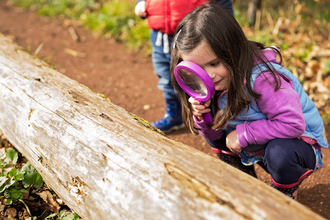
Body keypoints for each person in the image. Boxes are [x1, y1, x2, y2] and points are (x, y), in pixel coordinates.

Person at [170, 3, 328, 199]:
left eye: (214, 63)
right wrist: (203, 117)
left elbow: (292, 124)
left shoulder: (263, 79)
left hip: (297, 145)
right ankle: (244, 182)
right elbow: (214, 133)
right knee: (214, 130)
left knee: (280, 154)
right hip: (257, 145)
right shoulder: (214, 84)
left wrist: (243, 134)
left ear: (233, 50)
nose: (208, 75)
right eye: (198, 69)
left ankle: (285, 192)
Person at [134, 0, 234, 134]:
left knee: (204, 76)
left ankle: (218, 117)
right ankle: (175, 114)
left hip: (195, 37)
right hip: (159, 35)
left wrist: (226, 24)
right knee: (165, 75)